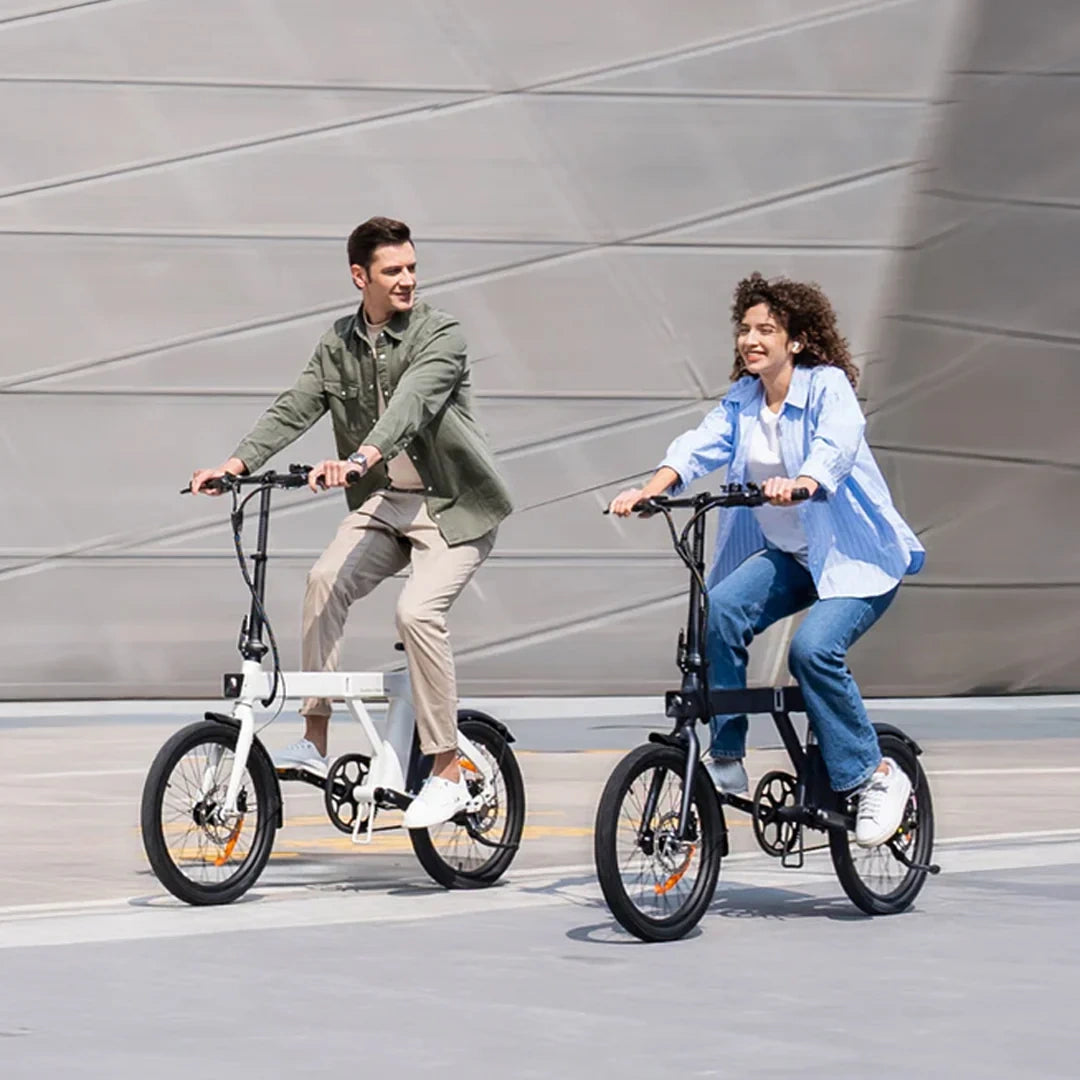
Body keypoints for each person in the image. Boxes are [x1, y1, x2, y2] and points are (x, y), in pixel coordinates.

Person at [191, 216, 512, 829]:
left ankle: (446, 767)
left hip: (454, 508)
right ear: (359, 276)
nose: (408, 280)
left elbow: (414, 403)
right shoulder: (337, 343)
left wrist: (362, 456)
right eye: (394, 270)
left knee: (417, 613)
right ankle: (314, 736)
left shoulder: (441, 332)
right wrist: (234, 465)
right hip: (388, 503)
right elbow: (295, 406)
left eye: (412, 268)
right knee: (323, 580)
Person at [609, 273, 925, 847]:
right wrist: (653, 489)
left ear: (796, 341)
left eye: (766, 330)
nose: (750, 339)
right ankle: (727, 751)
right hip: (792, 558)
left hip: (856, 561)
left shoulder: (827, 388)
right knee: (721, 610)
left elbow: (838, 443)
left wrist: (803, 482)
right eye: (745, 329)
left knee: (813, 650)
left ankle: (873, 773)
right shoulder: (744, 401)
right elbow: (697, 445)